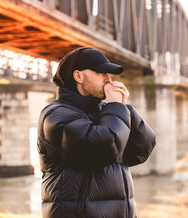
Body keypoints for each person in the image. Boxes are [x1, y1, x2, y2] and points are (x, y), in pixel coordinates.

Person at [37, 47, 156, 218]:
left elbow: (141, 149)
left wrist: (123, 107)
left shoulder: (106, 111)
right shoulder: (56, 115)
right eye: (101, 73)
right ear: (78, 76)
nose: (109, 80)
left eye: (110, 74)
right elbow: (105, 149)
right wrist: (115, 107)